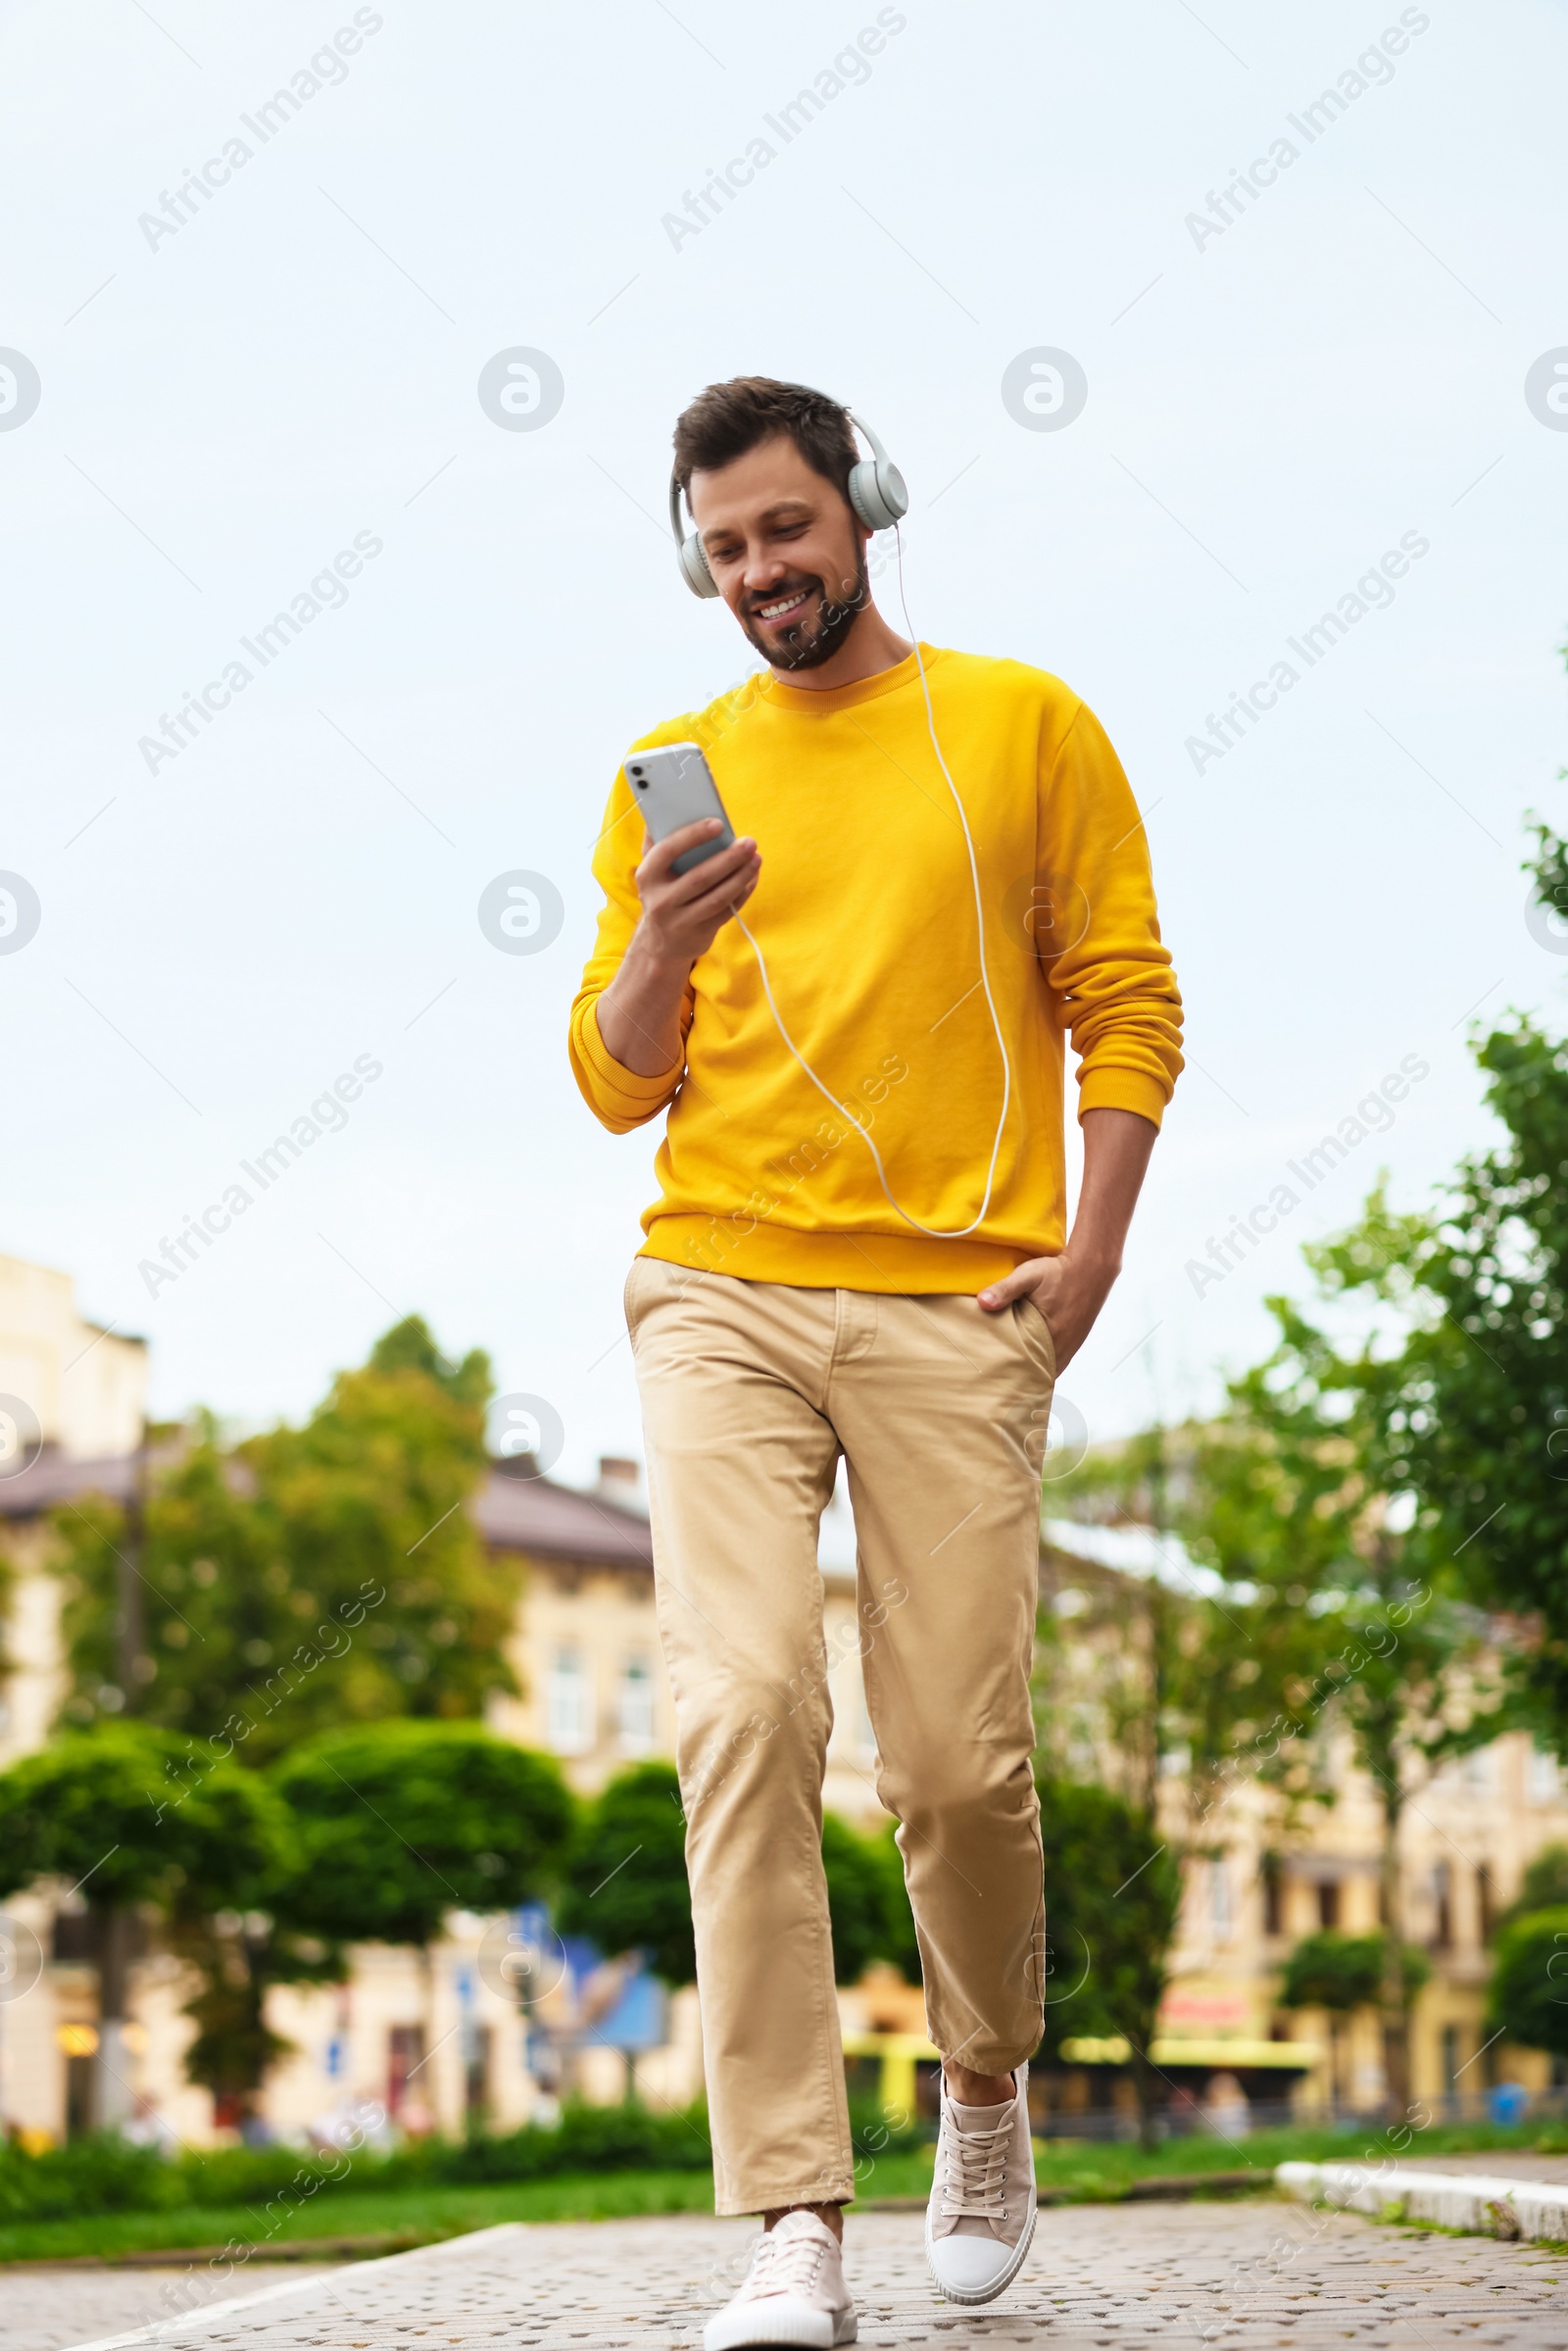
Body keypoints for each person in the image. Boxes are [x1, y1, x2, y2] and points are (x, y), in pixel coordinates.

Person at [569, 377, 1183, 2345]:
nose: (761, 573)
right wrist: (659, 946)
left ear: (863, 508)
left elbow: (1123, 999)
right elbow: (609, 1075)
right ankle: (791, 2227)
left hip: (955, 1308)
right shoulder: (671, 764)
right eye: (724, 547)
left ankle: (985, 2089)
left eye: (784, 530)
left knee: (950, 1762)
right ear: (696, 561)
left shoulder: (1018, 721)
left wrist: (1086, 1260)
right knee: (740, 1710)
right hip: (720, 1287)